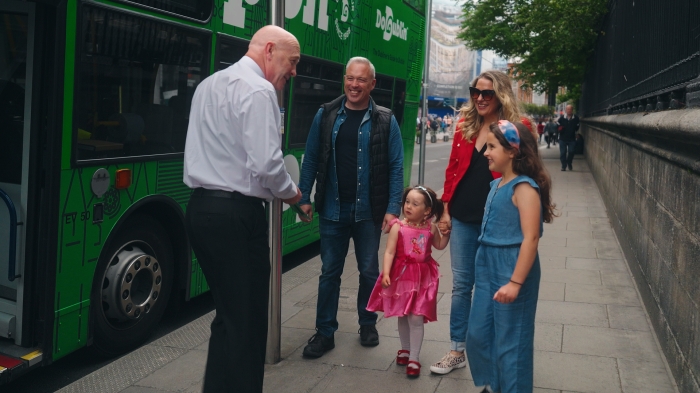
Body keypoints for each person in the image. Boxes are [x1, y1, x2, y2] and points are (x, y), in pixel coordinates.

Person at [183, 25, 302, 393]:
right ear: (270, 50)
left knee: (229, 316)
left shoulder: (209, 84)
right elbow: (267, 165)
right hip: (237, 216)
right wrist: (295, 196)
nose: (294, 72)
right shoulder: (259, 89)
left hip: (201, 210)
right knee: (248, 321)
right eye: (292, 61)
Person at [296, 56, 404, 358]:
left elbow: (396, 166)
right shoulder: (327, 114)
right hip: (332, 209)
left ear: (372, 84)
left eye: (361, 80)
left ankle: (367, 323)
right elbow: (312, 156)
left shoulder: (386, 118)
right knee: (330, 271)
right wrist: (304, 197)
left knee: (369, 271)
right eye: (350, 78)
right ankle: (325, 332)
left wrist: (393, 208)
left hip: (369, 211)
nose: (354, 85)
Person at [431, 70, 531, 375]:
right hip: (462, 217)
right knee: (462, 285)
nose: (480, 98)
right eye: (476, 92)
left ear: (500, 95)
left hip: (497, 220)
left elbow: (528, 173)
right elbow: (451, 171)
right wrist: (445, 210)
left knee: (497, 285)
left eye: (487, 93)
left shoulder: (518, 128)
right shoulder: (466, 126)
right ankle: (456, 350)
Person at [466, 120, 556, 393]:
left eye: (492, 147)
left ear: (513, 151)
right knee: (478, 335)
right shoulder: (496, 186)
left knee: (511, 343)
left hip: (512, 266)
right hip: (487, 265)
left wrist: (516, 282)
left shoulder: (524, 188)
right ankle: (494, 384)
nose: (486, 153)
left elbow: (531, 238)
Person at [366, 186, 449, 376]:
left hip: (423, 279)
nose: (408, 206)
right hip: (401, 277)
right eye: (407, 202)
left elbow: (439, 245)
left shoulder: (431, 228)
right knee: (403, 315)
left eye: (415, 203)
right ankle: (405, 349)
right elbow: (389, 251)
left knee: (416, 317)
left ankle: (414, 358)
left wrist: (448, 233)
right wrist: (386, 273)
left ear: (427, 211)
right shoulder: (398, 226)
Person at [557, 105, 580, 171]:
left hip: (572, 138)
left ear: (572, 110)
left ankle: (569, 162)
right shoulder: (562, 118)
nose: (569, 110)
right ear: (566, 110)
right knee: (563, 153)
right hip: (562, 138)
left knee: (571, 151)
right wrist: (560, 129)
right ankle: (563, 166)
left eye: (570, 109)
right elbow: (557, 125)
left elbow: (577, 127)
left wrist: (577, 133)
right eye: (568, 109)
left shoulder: (576, 118)